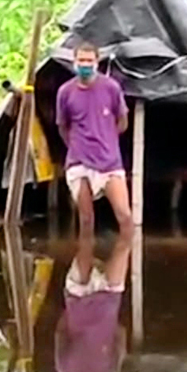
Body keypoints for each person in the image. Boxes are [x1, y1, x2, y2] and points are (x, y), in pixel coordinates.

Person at [56, 42, 134, 237]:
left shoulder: (111, 88)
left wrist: (106, 139)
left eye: (89, 60)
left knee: (124, 216)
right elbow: (62, 126)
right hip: (79, 162)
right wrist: (76, 146)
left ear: (97, 62)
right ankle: (85, 261)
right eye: (81, 60)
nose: (85, 64)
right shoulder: (65, 92)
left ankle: (125, 255)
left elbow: (123, 121)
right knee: (86, 219)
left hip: (109, 162)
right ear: (73, 62)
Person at [54, 233, 131, 372]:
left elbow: (60, 333)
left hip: (78, 297)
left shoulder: (64, 368)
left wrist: (71, 310)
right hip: (109, 297)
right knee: (124, 244)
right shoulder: (109, 370)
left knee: (86, 244)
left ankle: (89, 208)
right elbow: (121, 337)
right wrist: (109, 320)